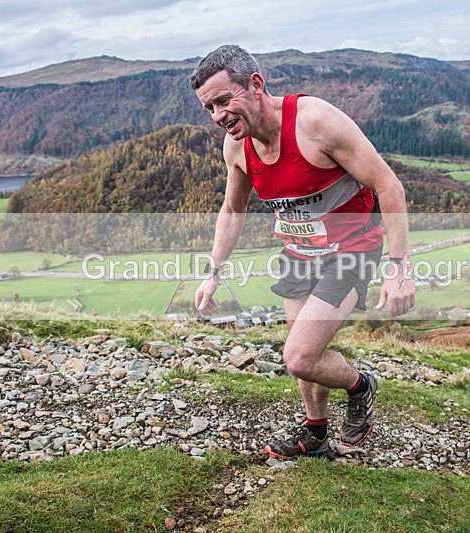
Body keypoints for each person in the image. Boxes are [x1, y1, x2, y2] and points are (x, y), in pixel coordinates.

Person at [189, 45, 415, 459]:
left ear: (255, 85)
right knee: (305, 357)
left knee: (298, 356)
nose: (218, 115)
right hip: (298, 252)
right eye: (209, 108)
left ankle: (361, 387)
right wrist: (213, 271)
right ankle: (315, 434)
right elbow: (232, 209)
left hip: (351, 250)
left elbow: (390, 186)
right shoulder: (236, 148)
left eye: (224, 100)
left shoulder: (315, 123)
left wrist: (399, 269)